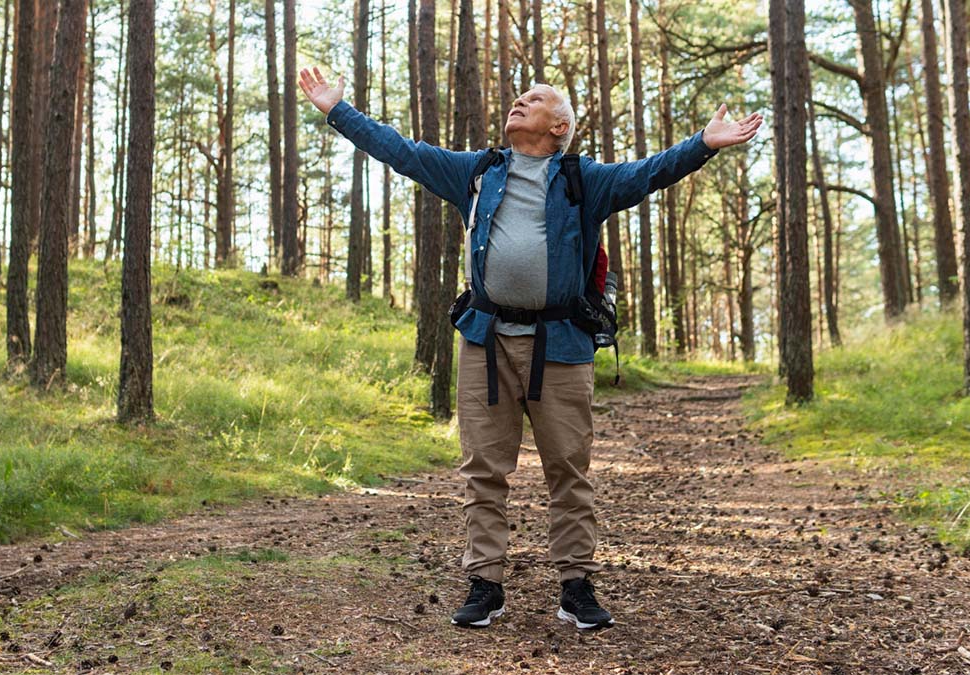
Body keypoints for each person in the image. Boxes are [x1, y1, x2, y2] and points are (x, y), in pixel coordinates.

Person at [298, 66, 761, 630]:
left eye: (535, 98)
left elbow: (647, 173)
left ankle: (575, 588)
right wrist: (336, 110)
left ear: (559, 125)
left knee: (569, 469)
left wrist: (702, 145)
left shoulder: (582, 181)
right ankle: (484, 584)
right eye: (520, 95)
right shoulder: (478, 171)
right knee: (483, 470)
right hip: (485, 342)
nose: (520, 100)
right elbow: (402, 152)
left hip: (561, 345)